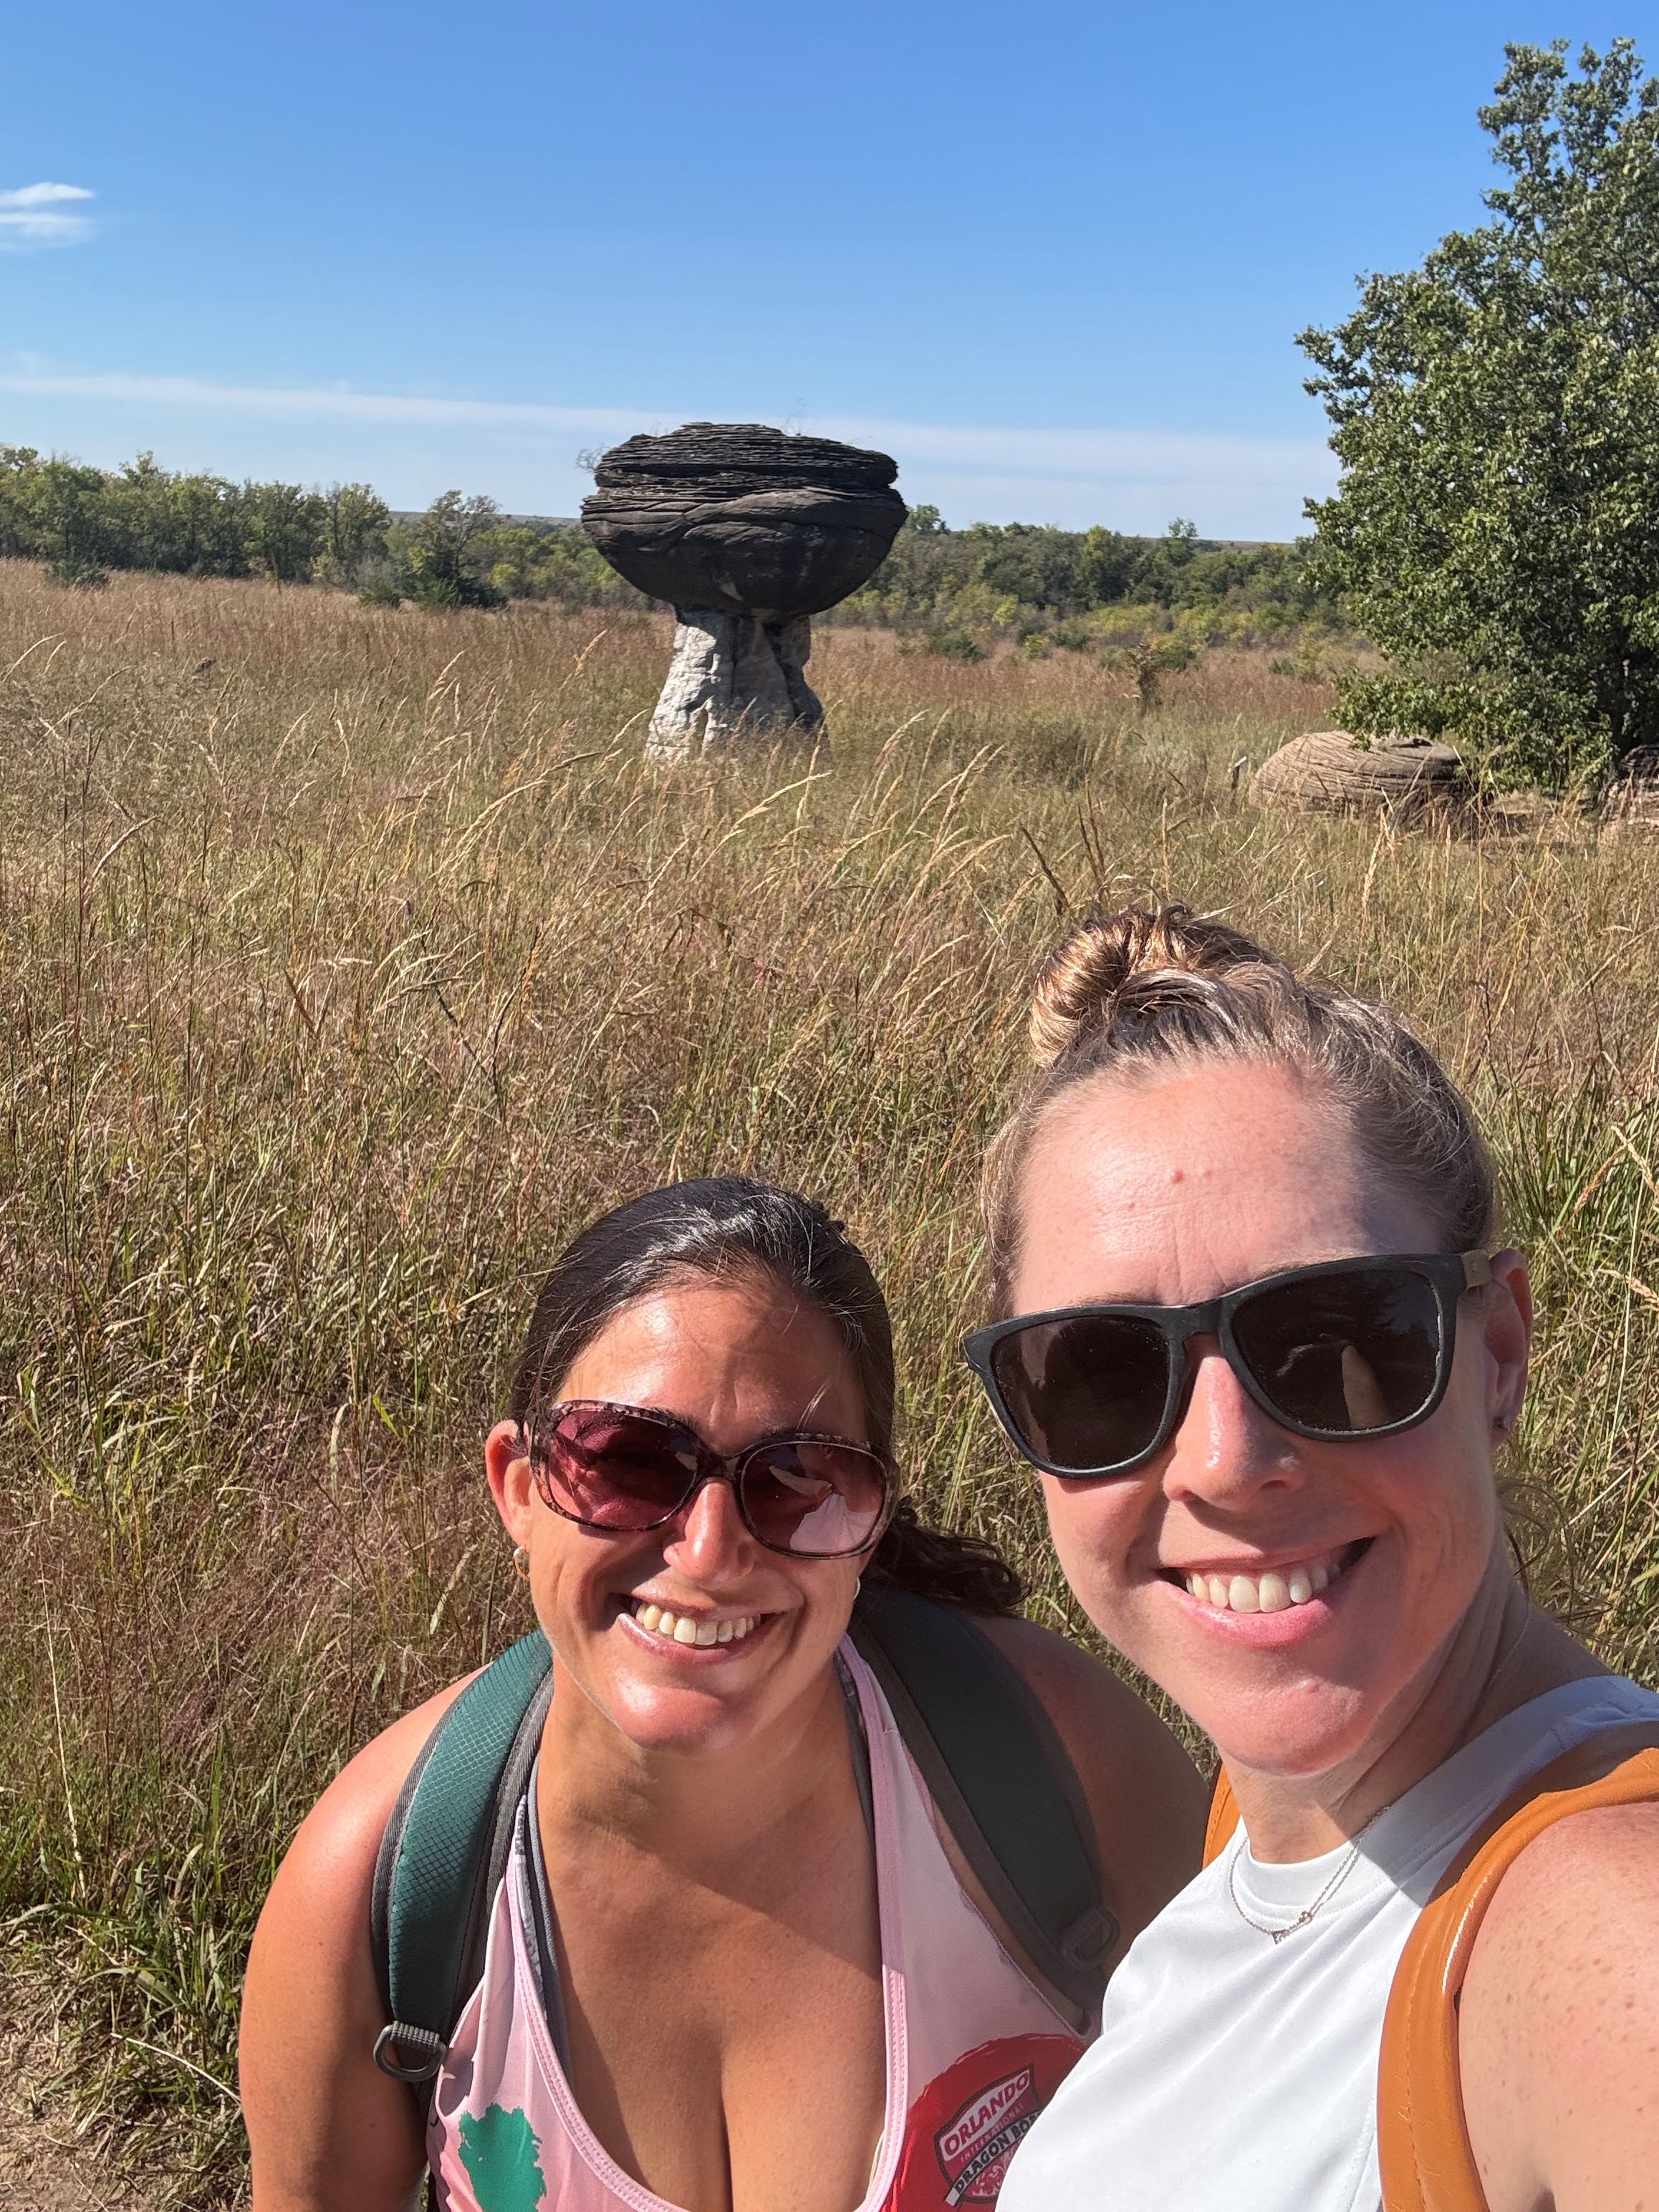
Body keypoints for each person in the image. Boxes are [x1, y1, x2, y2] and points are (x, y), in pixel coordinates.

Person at [240, 1177, 1206, 2212]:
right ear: (518, 1487)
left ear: (870, 1519)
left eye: (796, 1478)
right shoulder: (377, 1894)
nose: (709, 1551)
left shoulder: (1062, 1770)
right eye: (629, 1462)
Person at [967, 908, 1659, 2212]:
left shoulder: (1605, 1932)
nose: (1225, 1460)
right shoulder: (1267, 1836)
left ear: (1498, 1354)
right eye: (1106, 1375)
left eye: (1339, 1338)